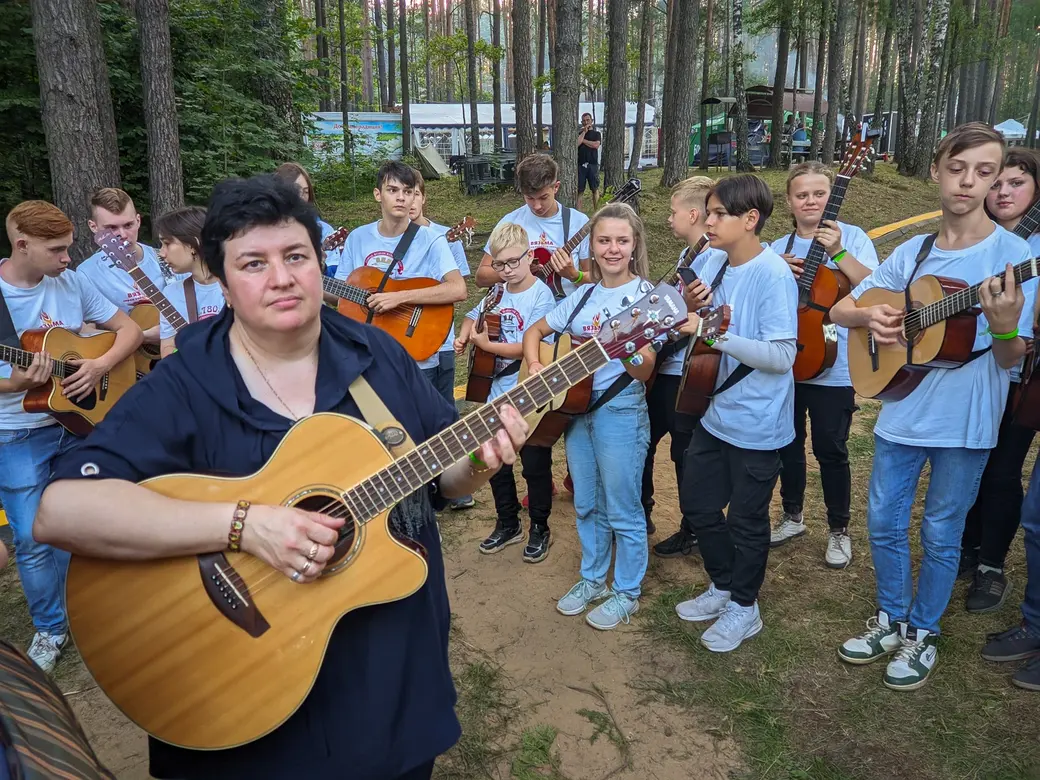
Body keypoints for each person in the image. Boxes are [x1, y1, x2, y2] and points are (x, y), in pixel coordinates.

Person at [34, 174, 531, 779]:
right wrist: (245, 525)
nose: (281, 278)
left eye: (296, 256)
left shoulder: (378, 356)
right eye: (253, 263)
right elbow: (61, 511)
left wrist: (477, 463)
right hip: (239, 695)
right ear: (220, 280)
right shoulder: (187, 382)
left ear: (320, 264)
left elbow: (440, 476)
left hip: (389, 689)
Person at [831, 123, 1035, 691]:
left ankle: (923, 631)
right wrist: (870, 316)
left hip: (966, 420)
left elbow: (1011, 356)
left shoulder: (1014, 257)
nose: (968, 182)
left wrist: (1002, 328)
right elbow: (843, 309)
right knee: (883, 522)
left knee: (942, 532)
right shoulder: (914, 250)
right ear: (936, 171)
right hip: (902, 409)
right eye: (957, 168)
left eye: (984, 172)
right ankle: (891, 618)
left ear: (994, 180)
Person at [0, 200, 142, 673]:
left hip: (81, 424)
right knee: (32, 537)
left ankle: (93, 611)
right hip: (17, 433)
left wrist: (99, 365)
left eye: (69, 248)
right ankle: (51, 627)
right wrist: (13, 385)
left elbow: (128, 330)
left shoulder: (71, 281)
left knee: (90, 521)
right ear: (22, 245)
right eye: (56, 250)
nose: (68, 258)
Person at [671, 175, 798, 654]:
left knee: (747, 521)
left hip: (758, 423)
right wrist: (689, 306)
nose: (709, 221)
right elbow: (690, 310)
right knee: (699, 506)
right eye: (708, 212)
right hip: (714, 411)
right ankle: (723, 584)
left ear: (750, 219)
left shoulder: (773, 274)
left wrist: (710, 334)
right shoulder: (714, 259)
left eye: (720, 213)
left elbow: (782, 355)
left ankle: (745, 606)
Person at [523, 202, 655, 630]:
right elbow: (535, 331)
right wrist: (536, 365)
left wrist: (628, 346)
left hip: (620, 410)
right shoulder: (583, 295)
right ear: (592, 247)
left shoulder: (645, 298)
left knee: (622, 506)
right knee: (585, 503)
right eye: (604, 240)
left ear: (634, 245)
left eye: (621, 240)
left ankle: (627, 592)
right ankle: (593, 579)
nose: (612, 249)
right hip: (574, 410)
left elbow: (645, 370)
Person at [770, 162, 879, 568]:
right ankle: (792, 515)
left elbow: (876, 288)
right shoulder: (777, 247)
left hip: (834, 365)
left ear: (831, 196)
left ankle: (838, 529)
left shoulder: (854, 237)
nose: (811, 201)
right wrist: (775, 271)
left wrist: (838, 252)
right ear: (789, 201)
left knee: (830, 448)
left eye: (819, 194)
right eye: (802, 195)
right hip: (788, 363)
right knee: (787, 443)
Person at [959, 149, 1040, 612]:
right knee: (968, 465)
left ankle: (991, 565)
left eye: (1017, 183)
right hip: (969, 371)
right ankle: (966, 547)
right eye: (997, 184)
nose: (1004, 192)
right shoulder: (975, 240)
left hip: (1020, 379)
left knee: (1002, 471)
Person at [456, 222, 556, 561]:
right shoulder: (496, 292)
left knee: (534, 462)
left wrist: (488, 346)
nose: (507, 270)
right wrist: (465, 335)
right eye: (499, 264)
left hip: (527, 388)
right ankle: (508, 522)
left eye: (514, 262)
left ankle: (540, 526)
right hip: (495, 389)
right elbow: (472, 316)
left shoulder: (541, 295)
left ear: (530, 257)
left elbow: (531, 345)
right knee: (496, 461)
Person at [647, 176, 727, 555]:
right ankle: (642, 510)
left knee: (685, 452)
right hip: (668, 366)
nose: (669, 218)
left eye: (673, 211)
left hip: (689, 370)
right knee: (646, 439)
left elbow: (706, 314)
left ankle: (693, 527)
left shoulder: (712, 258)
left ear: (693, 215)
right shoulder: (688, 255)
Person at [407, 170, 476, 509]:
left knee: (445, 411)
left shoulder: (445, 236)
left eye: (414, 193)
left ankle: (456, 486)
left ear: (424, 197)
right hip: (399, 341)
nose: (408, 201)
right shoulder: (381, 241)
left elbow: (458, 288)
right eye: (401, 193)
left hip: (441, 340)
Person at [476, 153, 590, 300]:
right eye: (529, 198)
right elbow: (481, 277)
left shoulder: (578, 222)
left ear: (556, 187)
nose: (536, 206)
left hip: (564, 305)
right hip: (520, 306)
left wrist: (574, 275)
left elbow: (594, 279)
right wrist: (517, 269)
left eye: (543, 197)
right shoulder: (511, 222)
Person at [78, 188, 176, 349]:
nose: (122, 235)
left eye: (128, 225)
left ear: (138, 221)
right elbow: (86, 331)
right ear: (93, 227)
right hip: (127, 360)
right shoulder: (86, 273)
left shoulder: (167, 260)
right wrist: (141, 337)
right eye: (111, 228)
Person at [155, 206, 226, 358]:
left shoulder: (237, 285)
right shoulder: (171, 293)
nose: (161, 253)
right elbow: (168, 346)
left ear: (192, 244)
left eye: (167, 243)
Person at [274, 161, 344, 277]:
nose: (302, 197)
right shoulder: (265, 229)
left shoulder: (324, 230)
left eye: (306, 192)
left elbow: (337, 276)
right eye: (296, 191)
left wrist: (323, 268)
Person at [577, 113, 602, 212]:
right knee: (580, 191)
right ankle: (578, 213)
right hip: (581, 165)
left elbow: (596, 145)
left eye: (588, 120)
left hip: (593, 165)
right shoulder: (579, 134)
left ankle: (597, 211)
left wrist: (584, 141)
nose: (586, 122)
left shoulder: (596, 134)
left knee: (595, 189)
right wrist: (583, 132)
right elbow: (577, 143)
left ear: (592, 121)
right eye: (584, 120)